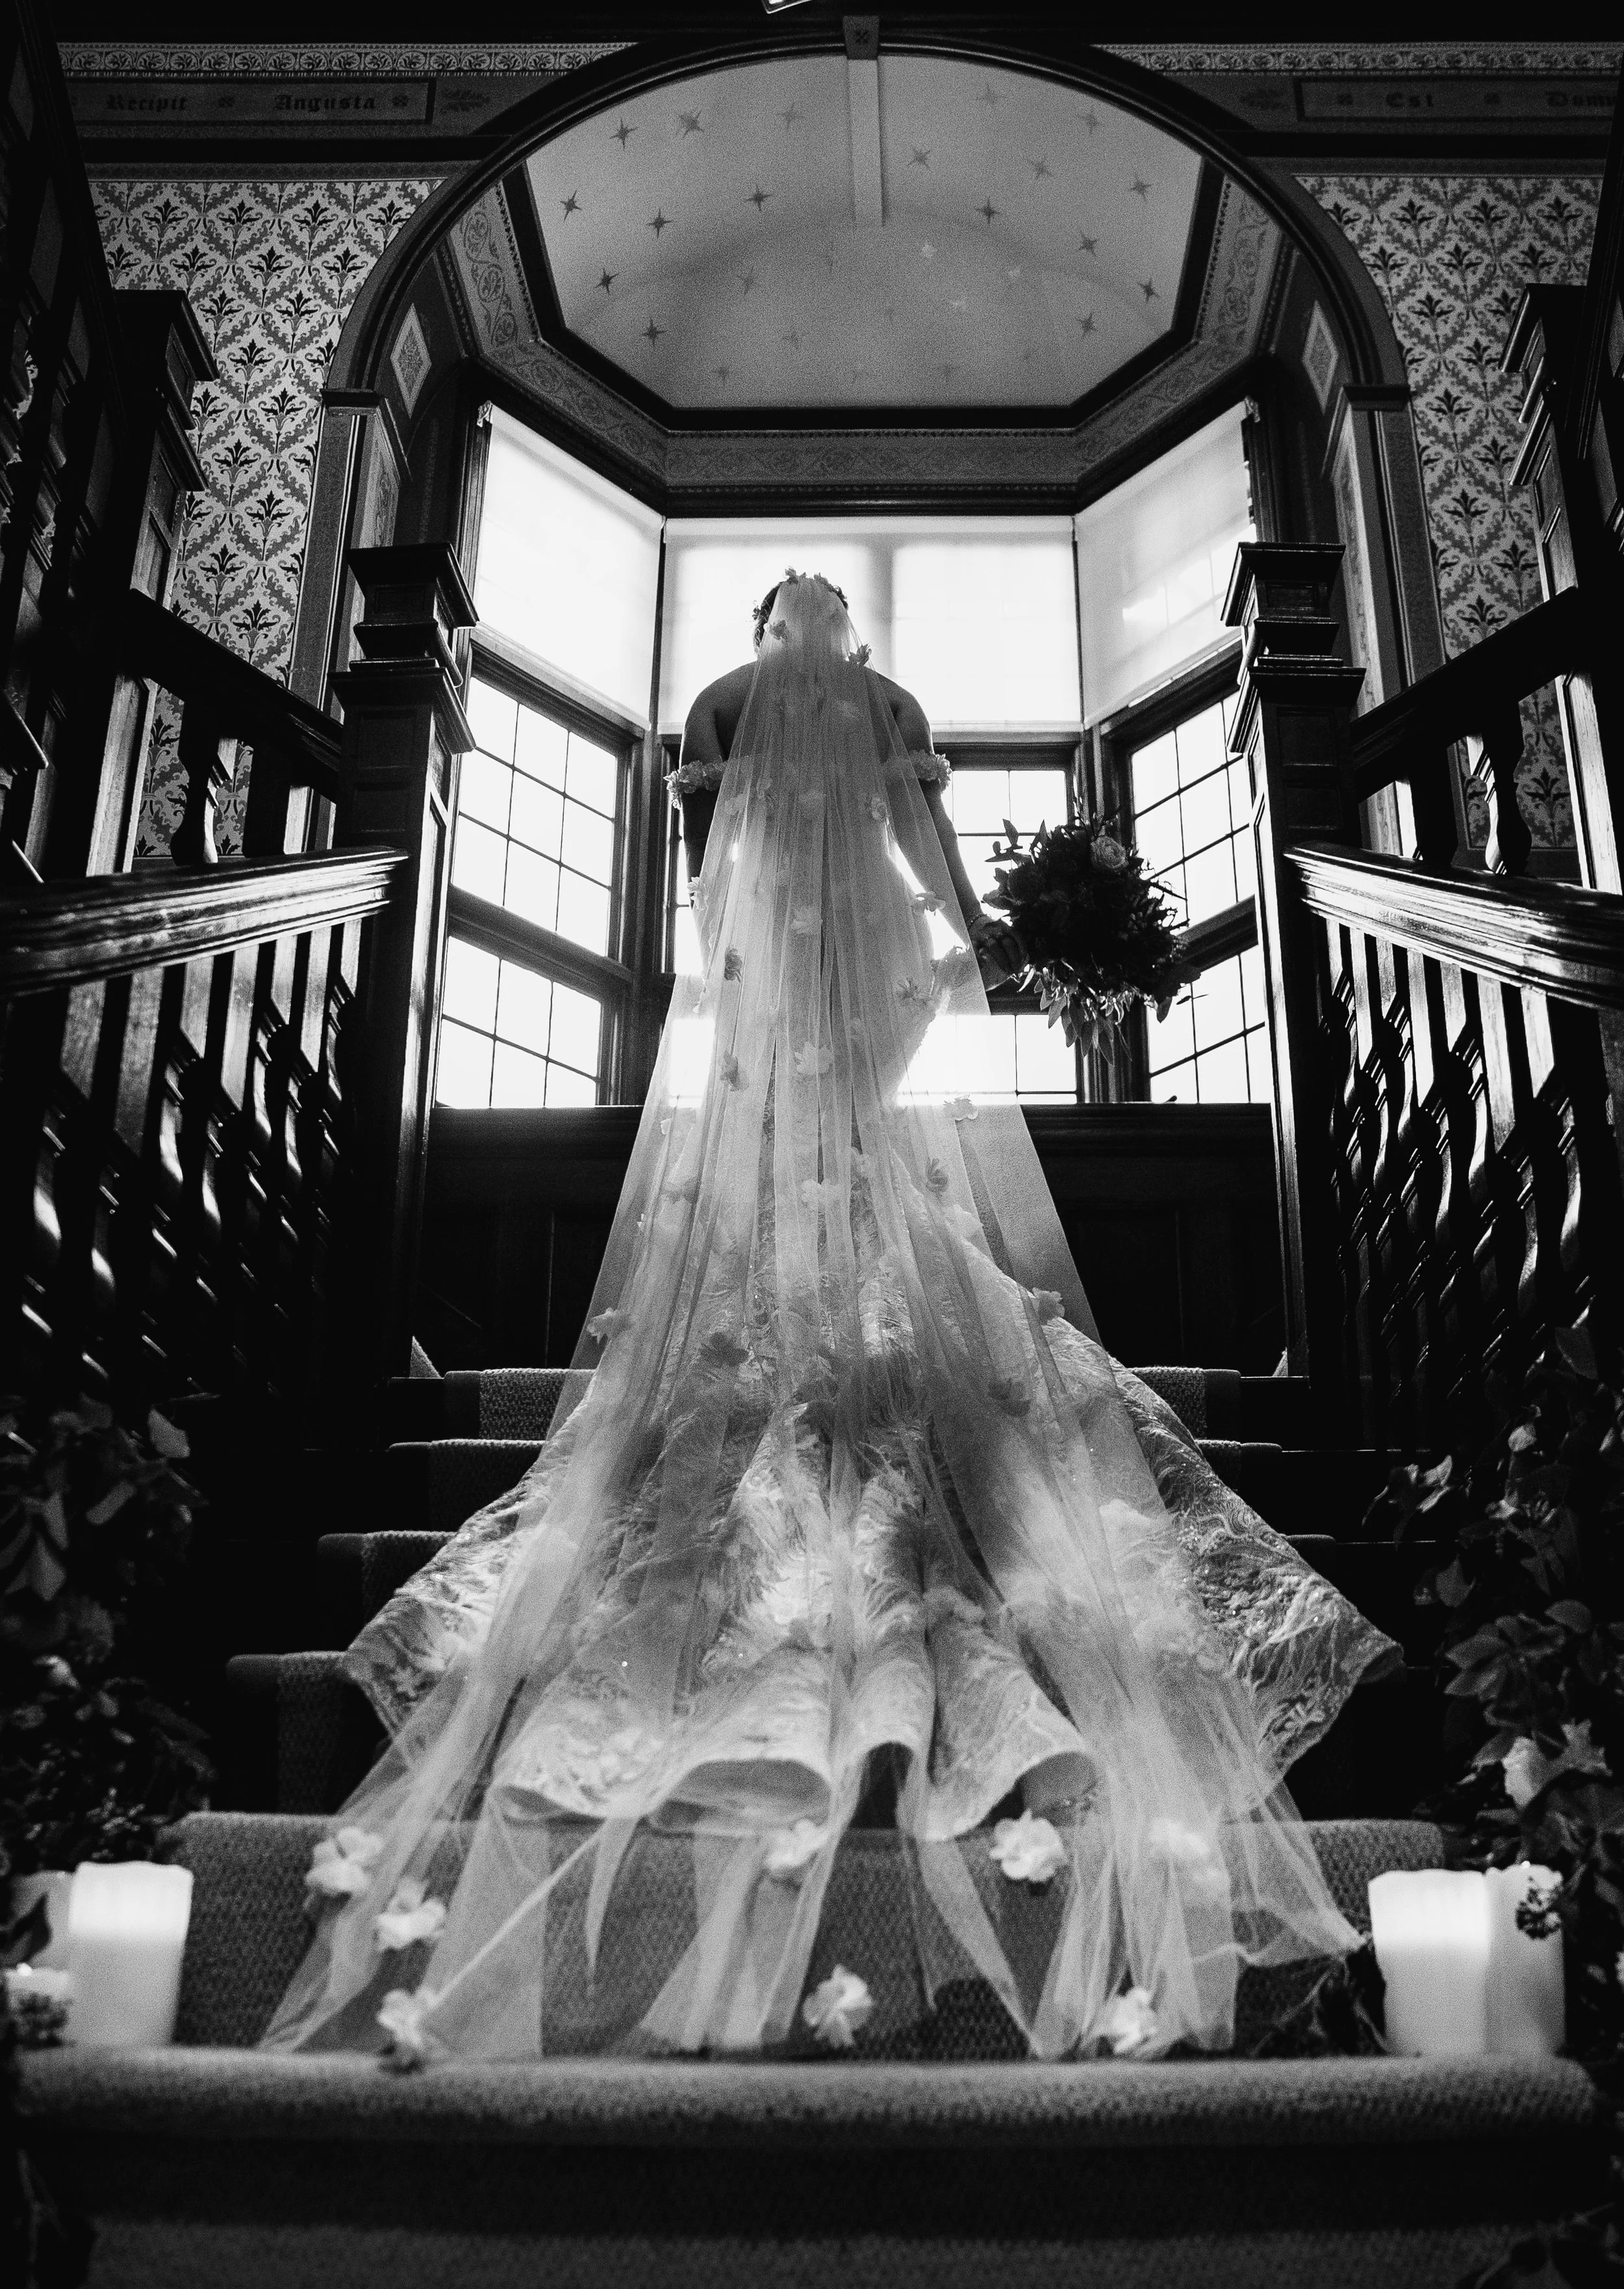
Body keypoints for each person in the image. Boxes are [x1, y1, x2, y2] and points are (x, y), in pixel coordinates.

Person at [264, 570, 1395, 2068]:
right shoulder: (895, 712)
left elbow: (700, 880)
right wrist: (969, 955)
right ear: (846, 638)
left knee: (738, 1351)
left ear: (759, 637)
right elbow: (936, 882)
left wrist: (747, 967)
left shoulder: (720, 713)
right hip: (868, 990)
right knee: (953, 1344)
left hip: (768, 1010)